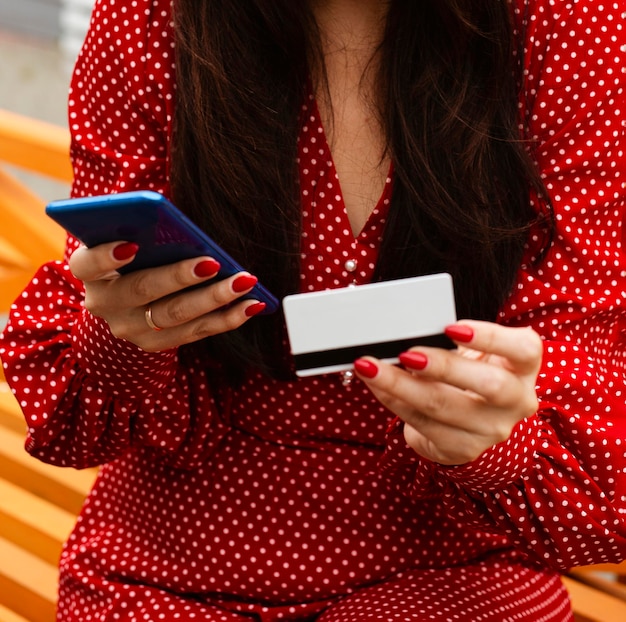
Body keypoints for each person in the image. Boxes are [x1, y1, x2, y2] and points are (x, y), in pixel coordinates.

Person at [1, 0, 625, 619]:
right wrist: (124, 331)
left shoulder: (568, 21)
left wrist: (497, 436)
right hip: (168, 563)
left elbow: (586, 402)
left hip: (452, 565)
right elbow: (79, 415)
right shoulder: (150, 17)